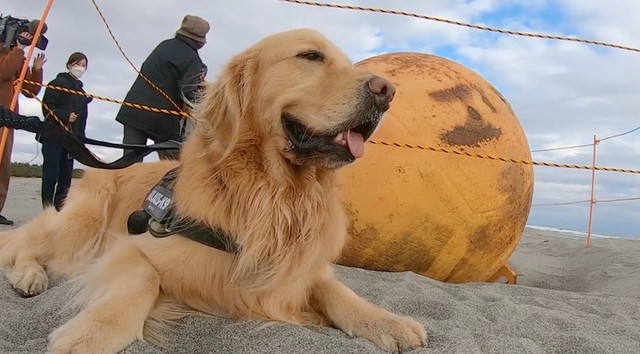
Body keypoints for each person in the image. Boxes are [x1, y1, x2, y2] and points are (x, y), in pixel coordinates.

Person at [115, 14, 209, 162]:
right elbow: (189, 92)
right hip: (162, 119)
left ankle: (124, 184)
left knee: (128, 165)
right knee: (172, 166)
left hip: (133, 110)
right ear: (200, 41)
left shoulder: (164, 45)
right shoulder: (192, 59)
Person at [0, 24, 47, 225]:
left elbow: (29, 91)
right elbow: (4, 71)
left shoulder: (19, 57)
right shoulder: (6, 52)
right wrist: (18, 47)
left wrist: (36, 71)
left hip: (7, 118)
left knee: (3, 165)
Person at [37, 52, 92, 211]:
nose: (80, 67)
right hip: (53, 136)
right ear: (69, 65)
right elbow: (46, 107)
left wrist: (80, 141)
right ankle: (47, 211)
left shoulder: (81, 91)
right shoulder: (57, 82)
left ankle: (60, 210)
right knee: (50, 176)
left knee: (65, 179)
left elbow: (83, 120)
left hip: (70, 139)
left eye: (83, 65)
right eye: (77, 63)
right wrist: (65, 115)